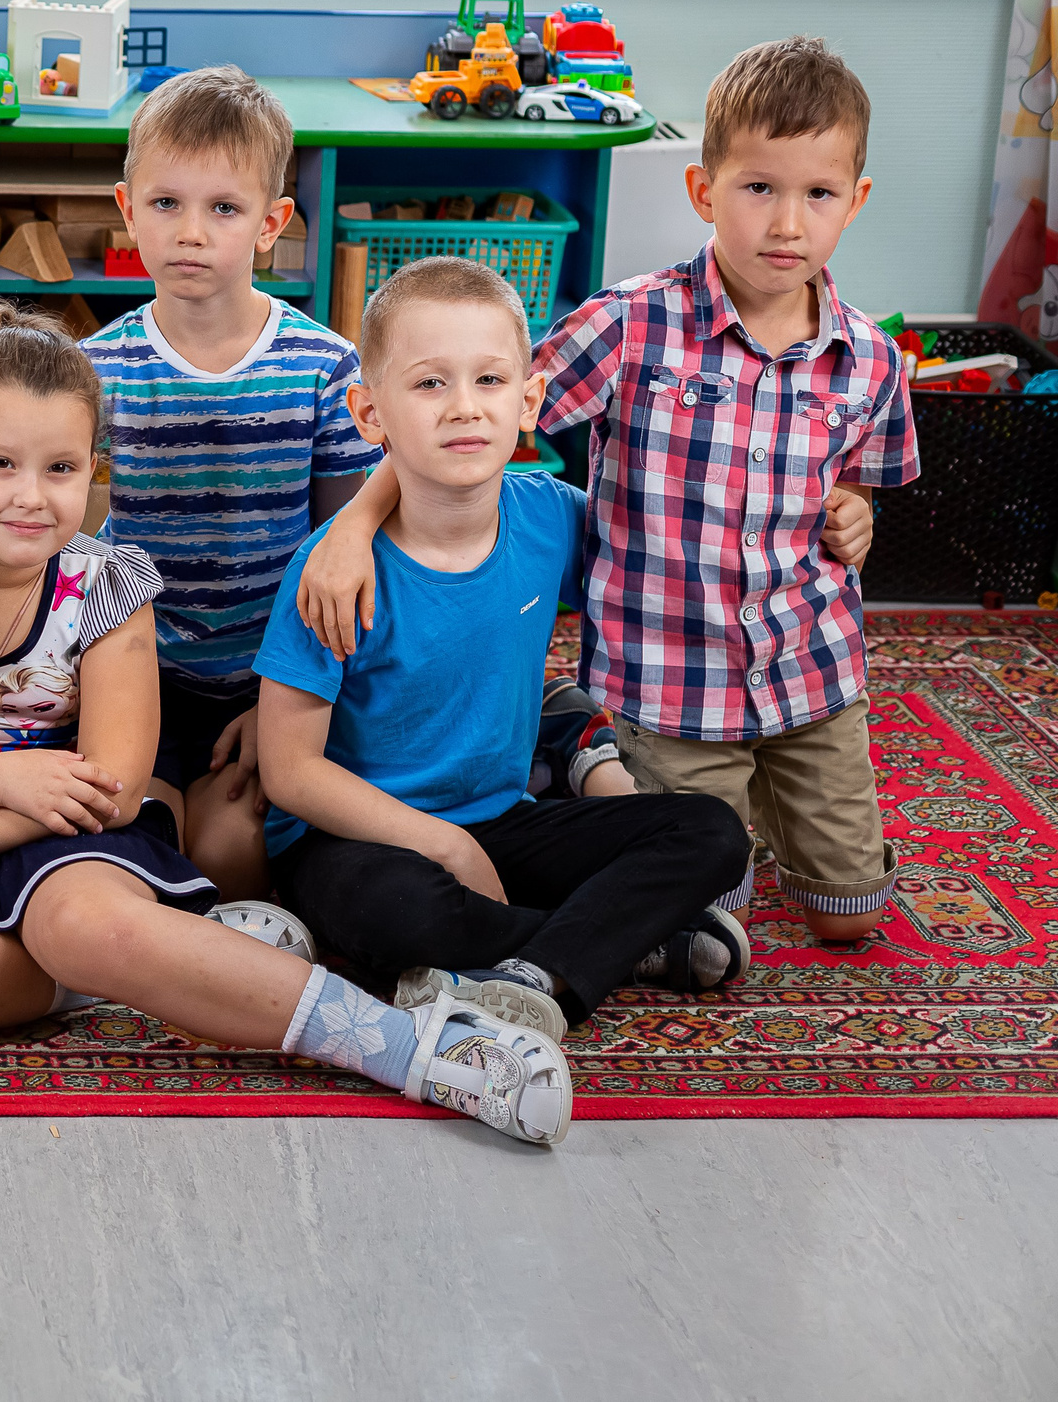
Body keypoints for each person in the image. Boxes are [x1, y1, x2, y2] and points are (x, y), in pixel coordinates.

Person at [0, 302, 575, 1147]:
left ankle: (413, 1048)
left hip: (63, 824)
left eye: (63, 468)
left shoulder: (107, 585)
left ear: (96, 473)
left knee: (80, 922)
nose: (32, 496)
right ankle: (145, 970)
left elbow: (108, 790)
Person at [300, 37, 907, 944]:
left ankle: (794, 823)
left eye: (817, 194)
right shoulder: (631, 325)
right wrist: (353, 524)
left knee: (848, 919)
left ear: (853, 203)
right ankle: (591, 752)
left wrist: (857, 510)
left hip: (810, 666)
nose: (787, 224)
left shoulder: (871, 358)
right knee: (701, 904)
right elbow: (479, 422)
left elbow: (856, 480)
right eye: (758, 189)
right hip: (674, 683)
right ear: (705, 191)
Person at [0, 68, 376, 905]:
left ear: (272, 223)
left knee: (238, 849)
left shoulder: (322, 366)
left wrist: (290, 695)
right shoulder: (96, 372)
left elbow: (343, 552)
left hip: (274, 675)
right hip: (132, 678)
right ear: (127, 209)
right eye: (166, 205)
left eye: (224, 209)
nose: (192, 234)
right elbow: (26, 503)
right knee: (170, 835)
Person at [255, 257, 756, 1045]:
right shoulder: (333, 572)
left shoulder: (551, 516)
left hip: (503, 818)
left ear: (528, 403)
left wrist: (829, 506)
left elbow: (667, 541)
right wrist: (440, 842)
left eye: (490, 382)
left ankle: (529, 961)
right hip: (360, 840)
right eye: (428, 385)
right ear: (369, 413)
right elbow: (289, 771)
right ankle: (609, 942)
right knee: (402, 914)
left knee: (711, 833)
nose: (464, 409)